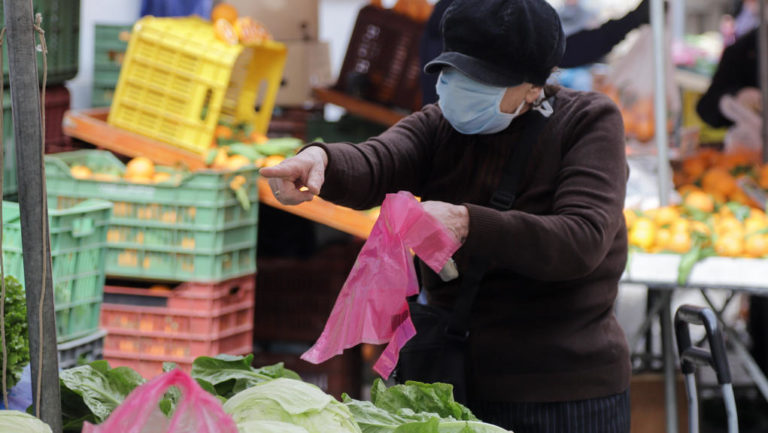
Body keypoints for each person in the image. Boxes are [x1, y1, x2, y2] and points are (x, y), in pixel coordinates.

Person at [262, 0, 630, 431]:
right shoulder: (442, 125)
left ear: (535, 85)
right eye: (454, 71)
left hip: (562, 392)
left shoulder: (588, 123)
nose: (460, 86)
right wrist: (323, 161)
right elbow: (381, 158)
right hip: (454, 383)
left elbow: (581, 239)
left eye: (482, 79)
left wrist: (468, 222)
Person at [420, 0, 651, 104]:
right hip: (459, 113)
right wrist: (629, 22)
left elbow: (554, 49)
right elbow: (558, 52)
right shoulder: (494, 11)